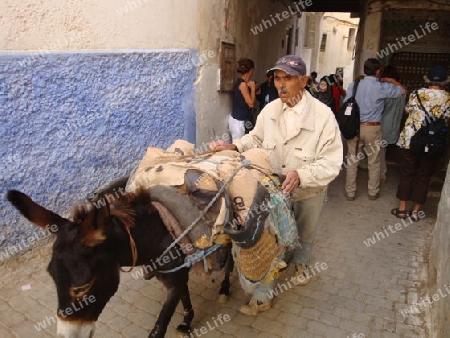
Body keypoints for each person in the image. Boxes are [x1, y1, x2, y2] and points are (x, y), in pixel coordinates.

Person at [211, 55, 343, 315]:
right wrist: (235, 146)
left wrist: (302, 175)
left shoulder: (323, 116)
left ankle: (302, 264)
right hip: (273, 190)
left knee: (304, 234)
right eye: (278, 78)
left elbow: (332, 162)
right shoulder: (270, 109)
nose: (281, 85)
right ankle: (263, 296)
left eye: (288, 79)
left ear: (303, 81)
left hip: (309, 191)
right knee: (270, 238)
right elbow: (256, 137)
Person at [392, 65, 450, 222]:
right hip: (432, 143)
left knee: (407, 174)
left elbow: (408, 110)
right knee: (424, 176)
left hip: (411, 140)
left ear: (427, 79)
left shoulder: (416, 94)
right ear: (445, 81)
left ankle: (402, 209)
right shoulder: (448, 98)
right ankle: (415, 212)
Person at [344, 58, 406, 201]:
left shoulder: (354, 84)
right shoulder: (381, 86)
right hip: (373, 128)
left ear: (365, 70)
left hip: (354, 127)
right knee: (374, 161)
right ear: (378, 71)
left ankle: (350, 193)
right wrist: (391, 80)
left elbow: (346, 102)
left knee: (352, 161)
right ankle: (373, 192)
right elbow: (403, 91)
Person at [379, 65, 406, 183]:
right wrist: (394, 81)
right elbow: (405, 91)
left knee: (379, 152)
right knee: (384, 150)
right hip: (395, 125)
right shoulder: (401, 90)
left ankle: (381, 175)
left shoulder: (384, 88)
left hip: (382, 124)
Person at [229, 58, 256, 142]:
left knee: (245, 146)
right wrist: (253, 89)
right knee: (238, 147)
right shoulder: (243, 84)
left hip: (242, 120)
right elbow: (251, 104)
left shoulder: (241, 83)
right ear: (251, 70)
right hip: (238, 122)